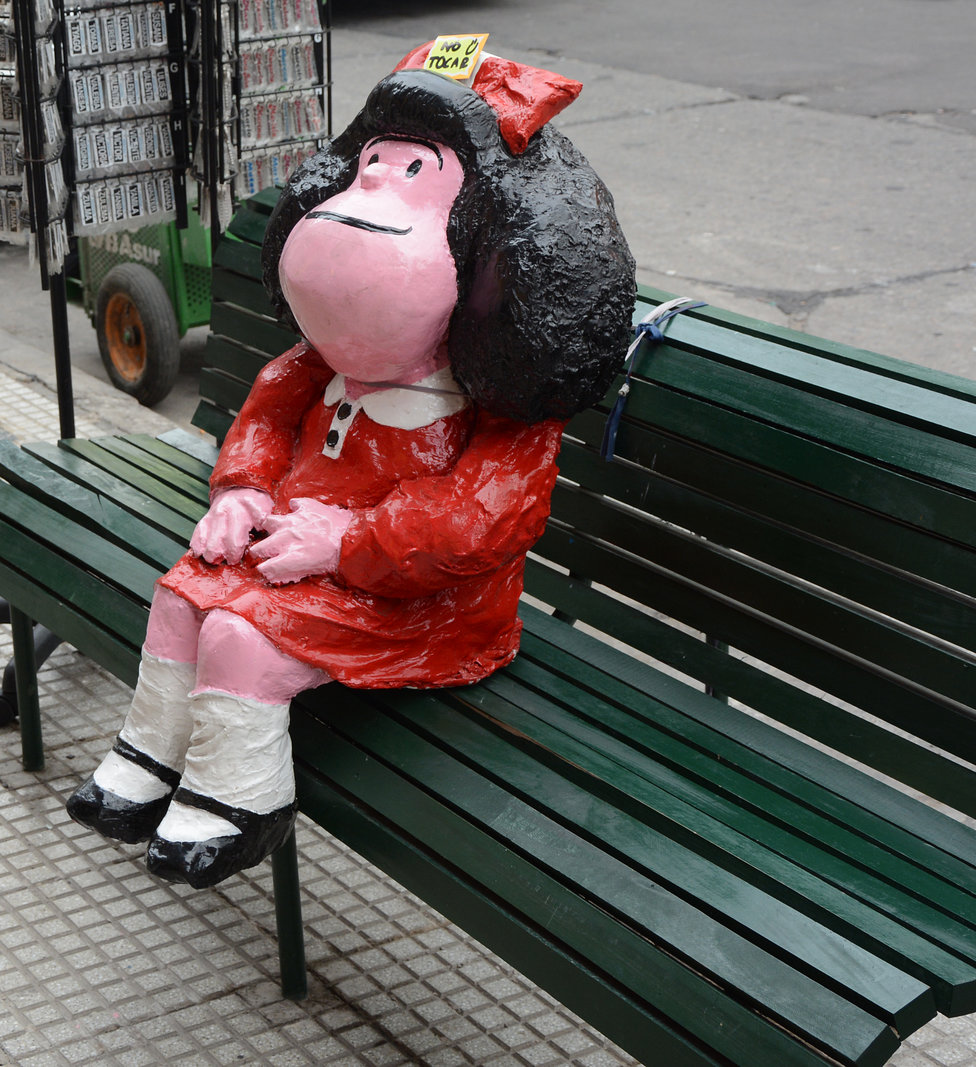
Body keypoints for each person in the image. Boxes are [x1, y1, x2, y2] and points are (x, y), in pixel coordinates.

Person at [66, 45, 637, 888]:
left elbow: (486, 518)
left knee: (239, 633)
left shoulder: (501, 395)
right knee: (185, 592)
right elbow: (263, 413)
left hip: (430, 603)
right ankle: (149, 751)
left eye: (413, 170)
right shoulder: (323, 361)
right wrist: (241, 489)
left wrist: (353, 539)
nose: (371, 190)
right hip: (301, 549)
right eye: (374, 163)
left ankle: (240, 799)